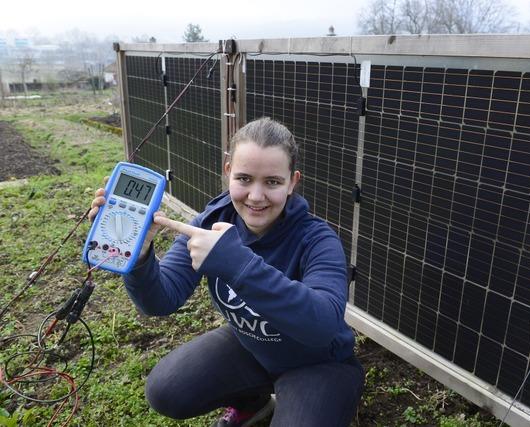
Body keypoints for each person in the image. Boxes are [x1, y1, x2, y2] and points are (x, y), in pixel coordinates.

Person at [89, 117, 364, 427]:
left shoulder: (318, 239)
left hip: (318, 363)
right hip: (252, 346)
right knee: (165, 390)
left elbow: (323, 325)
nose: (256, 196)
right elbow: (161, 300)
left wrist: (236, 263)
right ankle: (253, 403)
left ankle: (323, 400)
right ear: (228, 170)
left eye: (272, 182)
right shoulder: (211, 222)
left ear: (292, 182)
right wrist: (139, 259)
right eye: (244, 178)